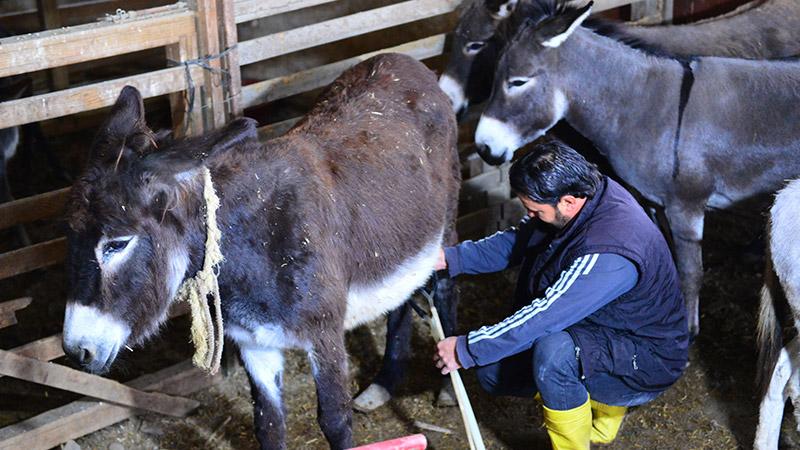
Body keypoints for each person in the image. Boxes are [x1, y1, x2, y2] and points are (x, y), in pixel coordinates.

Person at [433, 141, 689, 449]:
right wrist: (450, 259)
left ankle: (583, 433)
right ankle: (590, 403)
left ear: (567, 202)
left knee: (553, 354)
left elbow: (544, 316)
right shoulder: (585, 196)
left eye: (534, 210)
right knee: (492, 372)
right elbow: (518, 242)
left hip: (647, 357)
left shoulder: (610, 252)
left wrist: (467, 347)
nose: (530, 216)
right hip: (606, 325)